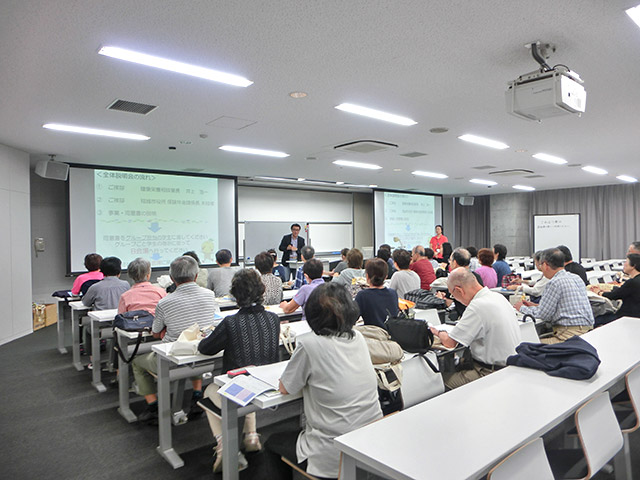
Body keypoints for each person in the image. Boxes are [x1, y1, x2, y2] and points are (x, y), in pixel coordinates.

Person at [266, 283, 382, 479]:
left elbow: (285, 388)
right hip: (368, 441)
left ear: (312, 313)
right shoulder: (358, 337)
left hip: (332, 450)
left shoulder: (309, 344)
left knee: (271, 443)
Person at [198, 269, 280, 472]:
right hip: (266, 384)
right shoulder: (273, 319)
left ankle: (225, 446)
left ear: (235, 294)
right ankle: (251, 436)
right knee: (248, 378)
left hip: (240, 389)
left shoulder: (231, 322)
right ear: (261, 291)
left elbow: (206, 349)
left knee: (210, 391)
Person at [132, 256, 220, 424]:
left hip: (171, 359)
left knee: (137, 362)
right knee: (194, 345)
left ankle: (154, 407)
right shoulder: (210, 295)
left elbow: (156, 333)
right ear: (196, 276)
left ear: (171, 278)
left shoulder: (165, 302)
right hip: (202, 354)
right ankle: (196, 394)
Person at [429, 268, 521, 390]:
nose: (454, 298)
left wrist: (437, 332)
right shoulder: (497, 297)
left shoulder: (477, 306)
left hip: (488, 372)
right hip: (510, 367)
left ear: (459, 290)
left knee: (436, 382)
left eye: (452, 294)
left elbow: (450, 343)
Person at [515, 248, 594, 343]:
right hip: (586, 332)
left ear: (545, 265)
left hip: (568, 335)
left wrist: (521, 308)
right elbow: (563, 307)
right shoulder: (576, 278)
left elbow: (543, 315)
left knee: (526, 345)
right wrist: (535, 306)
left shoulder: (555, 283)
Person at [590, 253, 640, 324]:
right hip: (635, 317)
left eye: (626, 262)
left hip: (627, 317)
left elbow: (614, 296)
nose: (624, 265)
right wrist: (608, 290)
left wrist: (599, 292)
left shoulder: (632, 282)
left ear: (633, 266)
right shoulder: (635, 281)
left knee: (596, 320)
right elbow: (622, 291)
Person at [435, 248, 484, 317]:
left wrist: (439, 299)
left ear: (455, 263)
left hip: (464, 316)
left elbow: (448, 303)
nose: (449, 262)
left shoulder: (455, 278)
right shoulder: (476, 276)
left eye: (450, 260)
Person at [355, 258, 399, 329]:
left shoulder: (363, 295)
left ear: (367, 276)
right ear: (386, 277)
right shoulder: (393, 293)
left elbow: (352, 319)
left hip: (373, 335)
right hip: (391, 335)